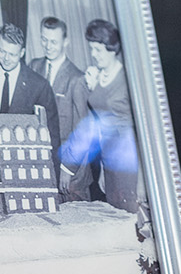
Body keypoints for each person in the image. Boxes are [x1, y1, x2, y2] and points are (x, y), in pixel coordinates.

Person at [70, 19, 139, 212]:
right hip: (106, 156)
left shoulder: (127, 79)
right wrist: (92, 87)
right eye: (92, 49)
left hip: (126, 158)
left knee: (132, 213)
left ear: (111, 48)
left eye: (98, 50)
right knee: (114, 209)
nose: (93, 55)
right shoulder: (97, 75)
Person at [33, 17, 84, 192]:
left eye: (54, 41)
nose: (48, 46)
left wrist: (67, 167)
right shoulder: (33, 66)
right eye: (44, 39)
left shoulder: (77, 78)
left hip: (70, 173)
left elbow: (81, 130)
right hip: (41, 165)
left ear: (66, 42)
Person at [0, 24, 51, 127]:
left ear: (22, 53)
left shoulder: (39, 85)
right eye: (2, 51)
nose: (6, 58)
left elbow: (50, 130)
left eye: (12, 54)